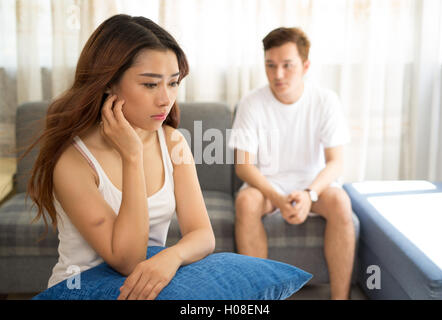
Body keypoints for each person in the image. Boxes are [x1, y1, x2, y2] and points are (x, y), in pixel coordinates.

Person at [25, 14, 215, 300]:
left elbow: (203, 235)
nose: (166, 99)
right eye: (150, 85)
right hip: (79, 289)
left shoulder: (173, 142)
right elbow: (126, 260)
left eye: (173, 83)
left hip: (143, 287)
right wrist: (132, 157)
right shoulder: (73, 161)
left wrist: (171, 257)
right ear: (109, 83)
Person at [228, 27, 355, 300]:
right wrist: (278, 197)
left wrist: (310, 194)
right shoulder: (251, 103)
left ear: (305, 65)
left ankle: (340, 297)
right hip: (268, 186)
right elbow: (244, 166)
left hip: (312, 184)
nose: (278, 75)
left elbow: (336, 162)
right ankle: (258, 298)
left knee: (341, 203)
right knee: (246, 202)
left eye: (287, 65)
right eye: (270, 66)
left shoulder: (326, 100)